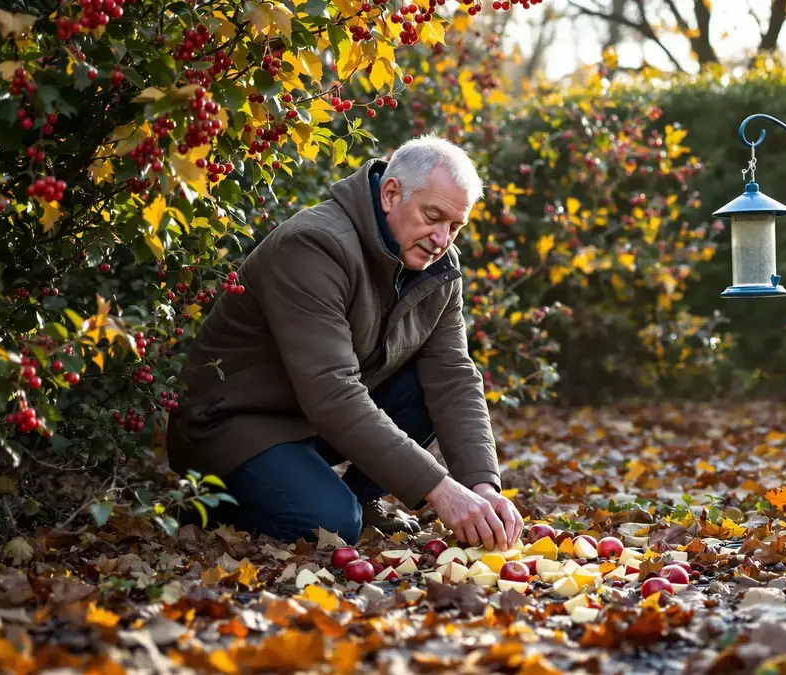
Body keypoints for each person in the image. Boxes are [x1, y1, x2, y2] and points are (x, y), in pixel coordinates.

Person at [166, 136, 522, 551]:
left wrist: (483, 485)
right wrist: (440, 490)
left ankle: (353, 497)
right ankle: (206, 504)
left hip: (308, 418)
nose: (442, 239)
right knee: (330, 526)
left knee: (426, 390)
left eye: (455, 227)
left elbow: (454, 377)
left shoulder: (438, 265)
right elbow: (333, 391)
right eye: (433, 216)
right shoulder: (314, 246)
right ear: (391, 194)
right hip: (235, 425)